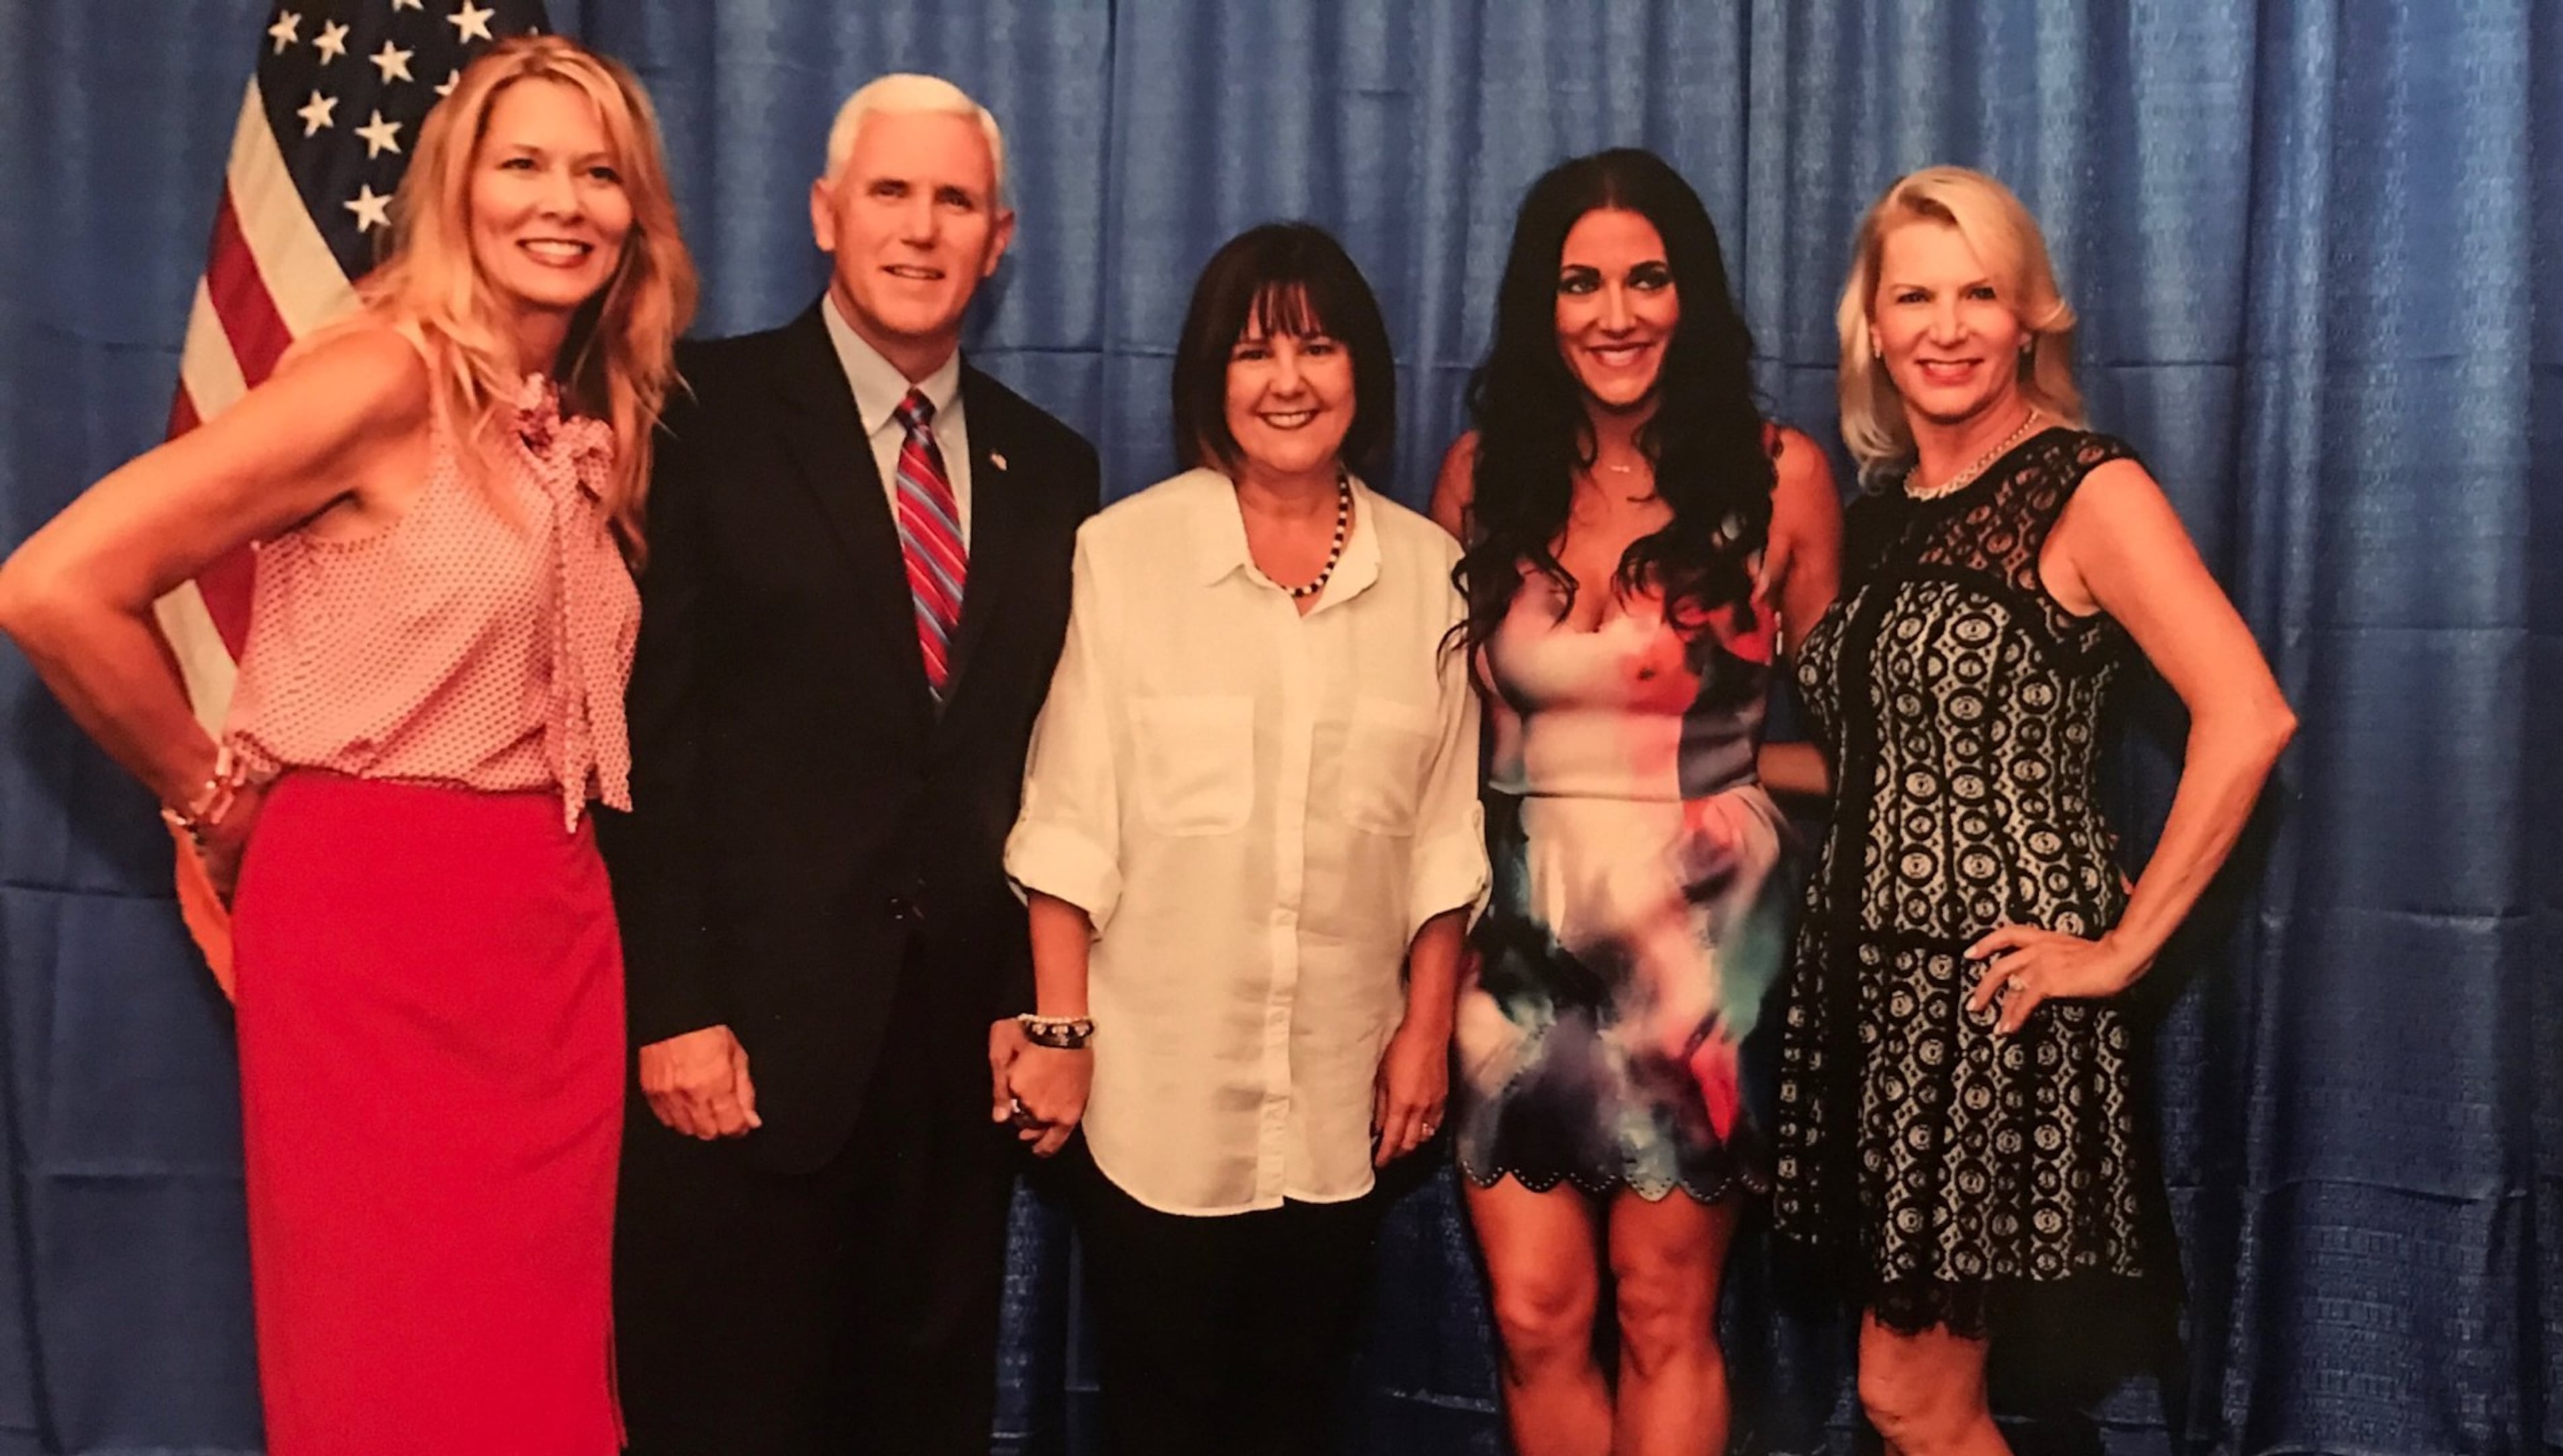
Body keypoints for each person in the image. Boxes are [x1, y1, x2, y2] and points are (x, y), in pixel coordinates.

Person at [0, 36, 692, 1454]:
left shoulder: (572, 422)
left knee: (540, 1380)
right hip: (381, 922)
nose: (561, 201)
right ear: (455, 189)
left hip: (548, 929)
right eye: (523, 164)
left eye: (598, 171)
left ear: (636, 211)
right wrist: (203, 791)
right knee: (398, 1370)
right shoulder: (381, 379)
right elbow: (54, 588)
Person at [602, 73, 1100, 1455]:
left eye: (956, 201)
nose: (922, 229)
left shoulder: (1053, 470)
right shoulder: (696, 412)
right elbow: (648, 736)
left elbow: (1047, 763)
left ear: (1000, 237)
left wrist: (1031, 1004)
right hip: (743, 1059)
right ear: (826, 213)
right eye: (891, 192)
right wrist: (675, 1010)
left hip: (951, 1072)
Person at [1771, 165, 2296, 1454]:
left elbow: (2250, 716)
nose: (1947, 328)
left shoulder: (2083, 486)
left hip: (1990, 1009)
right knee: (1916, 1397)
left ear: (2027, 321)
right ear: (1873, 329)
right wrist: (1693, 771)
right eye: (1915, 298)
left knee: (1909, 1397)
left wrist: (2119, 947)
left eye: (1980, 295)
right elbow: (1887, 764)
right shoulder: (1887, 513)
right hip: (1871, 1000)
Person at [1001, 221, 1486, 1456]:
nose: (1288, 383)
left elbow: (1442, 834)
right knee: (1161, 1418)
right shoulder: (1126, 555)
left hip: (1341, 1096)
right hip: (1157, 1097)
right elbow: (1070, 814)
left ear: (1362, 374)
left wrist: (1425, 1035)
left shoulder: (1431, 578)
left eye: (1317, 349)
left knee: (1294, 1412)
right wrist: (1060, 1034)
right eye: (1255, 353)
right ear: (1210, 380)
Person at [1430, 147, 1844, 1455]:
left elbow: (1848, 748)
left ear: (1693, 293)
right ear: (1539, 307)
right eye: (1582, 282)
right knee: (1538, 1310)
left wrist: (1717, 786)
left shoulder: (1784, 477)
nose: (1617, 312)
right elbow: (1453, 749)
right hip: (1522, 945)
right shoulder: (1481, 475)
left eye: (1648, 278)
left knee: (1666, 1308)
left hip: (1700, 949)